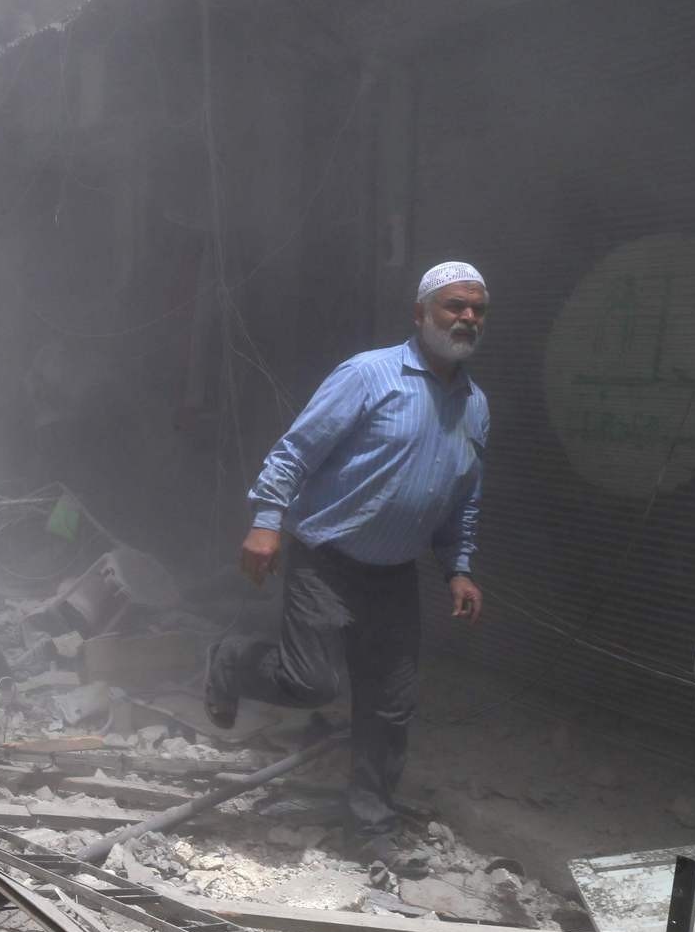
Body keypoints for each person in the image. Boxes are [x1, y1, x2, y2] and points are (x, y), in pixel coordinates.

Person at [205, 261, 490, 850]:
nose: (466, 318)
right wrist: (266, 522)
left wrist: (458, 567)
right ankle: (234, 660)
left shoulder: (475, 406)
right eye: (453, 306)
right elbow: (295, 452)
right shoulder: (370, 375)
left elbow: (463, 497)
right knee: (310, 684)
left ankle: (371, 829)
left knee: (389, 708)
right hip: (327, 560)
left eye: (476, 310)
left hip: (394, 576)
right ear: (420, 314)